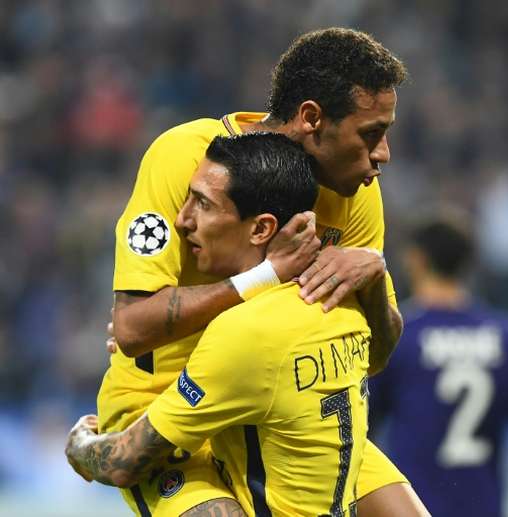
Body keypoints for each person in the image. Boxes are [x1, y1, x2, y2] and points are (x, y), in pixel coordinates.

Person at [93, 28, 427, 516]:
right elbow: (132, 328)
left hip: (287, 411)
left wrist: (374, 276)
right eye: (370, 134)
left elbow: (373, 356)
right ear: (311, 118)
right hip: (165, 409)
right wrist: (268, 276)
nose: (383, 154)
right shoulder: (189, 160)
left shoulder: (356, 194)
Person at [67, 132, 372, 516]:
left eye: (203, 203)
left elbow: (124, 461)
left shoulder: (244, 334)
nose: (182, 219)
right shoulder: (346, 306)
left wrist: (80, 447)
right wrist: (375, 271)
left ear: (260, 229)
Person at [369, 215, 508, 517]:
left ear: (417, 259)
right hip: (484, 507)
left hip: (413, 508)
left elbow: (362, 431)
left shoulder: (397, 335)